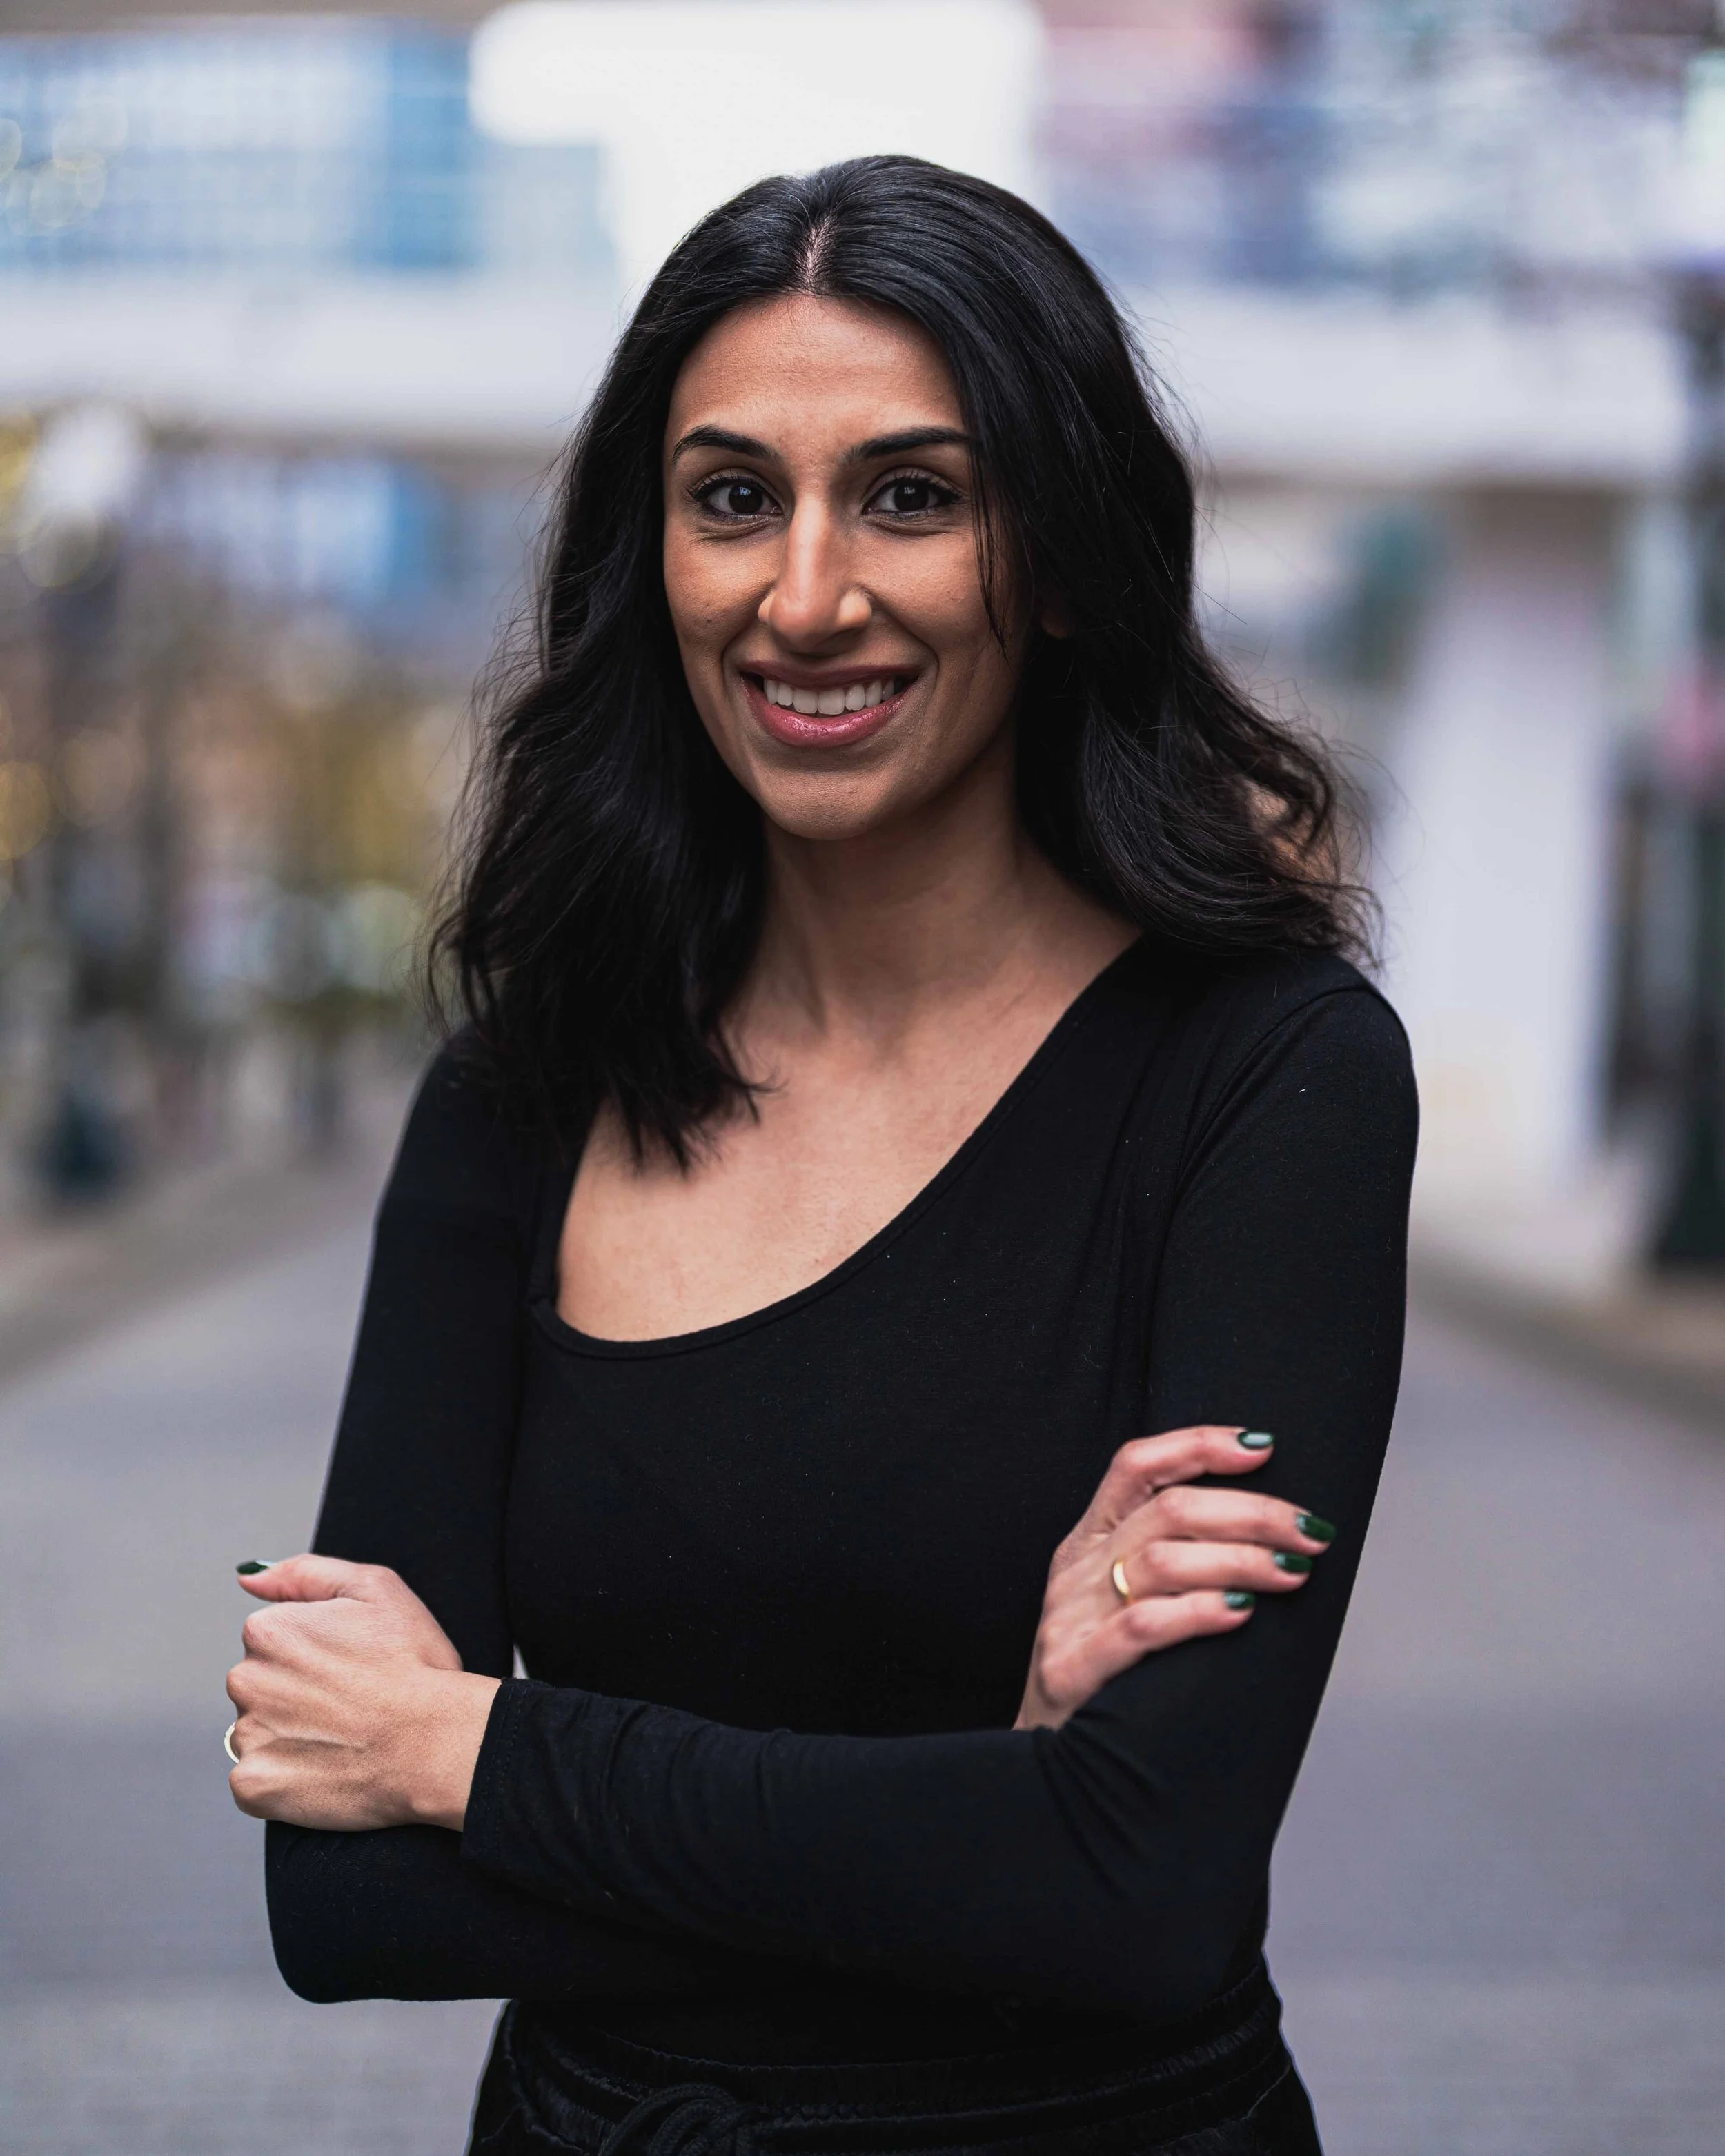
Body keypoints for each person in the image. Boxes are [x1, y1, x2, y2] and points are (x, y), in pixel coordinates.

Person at [224, 156, 1416, 2156]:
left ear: (1050, 553)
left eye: (910, 495)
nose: (801, 595)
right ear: (653, 553)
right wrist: (993, 1796)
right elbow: (345, 1896)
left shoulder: (1265, 1077)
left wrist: (465, 1742)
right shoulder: (521, 1097)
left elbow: (1140, 1894)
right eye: (729, 498)